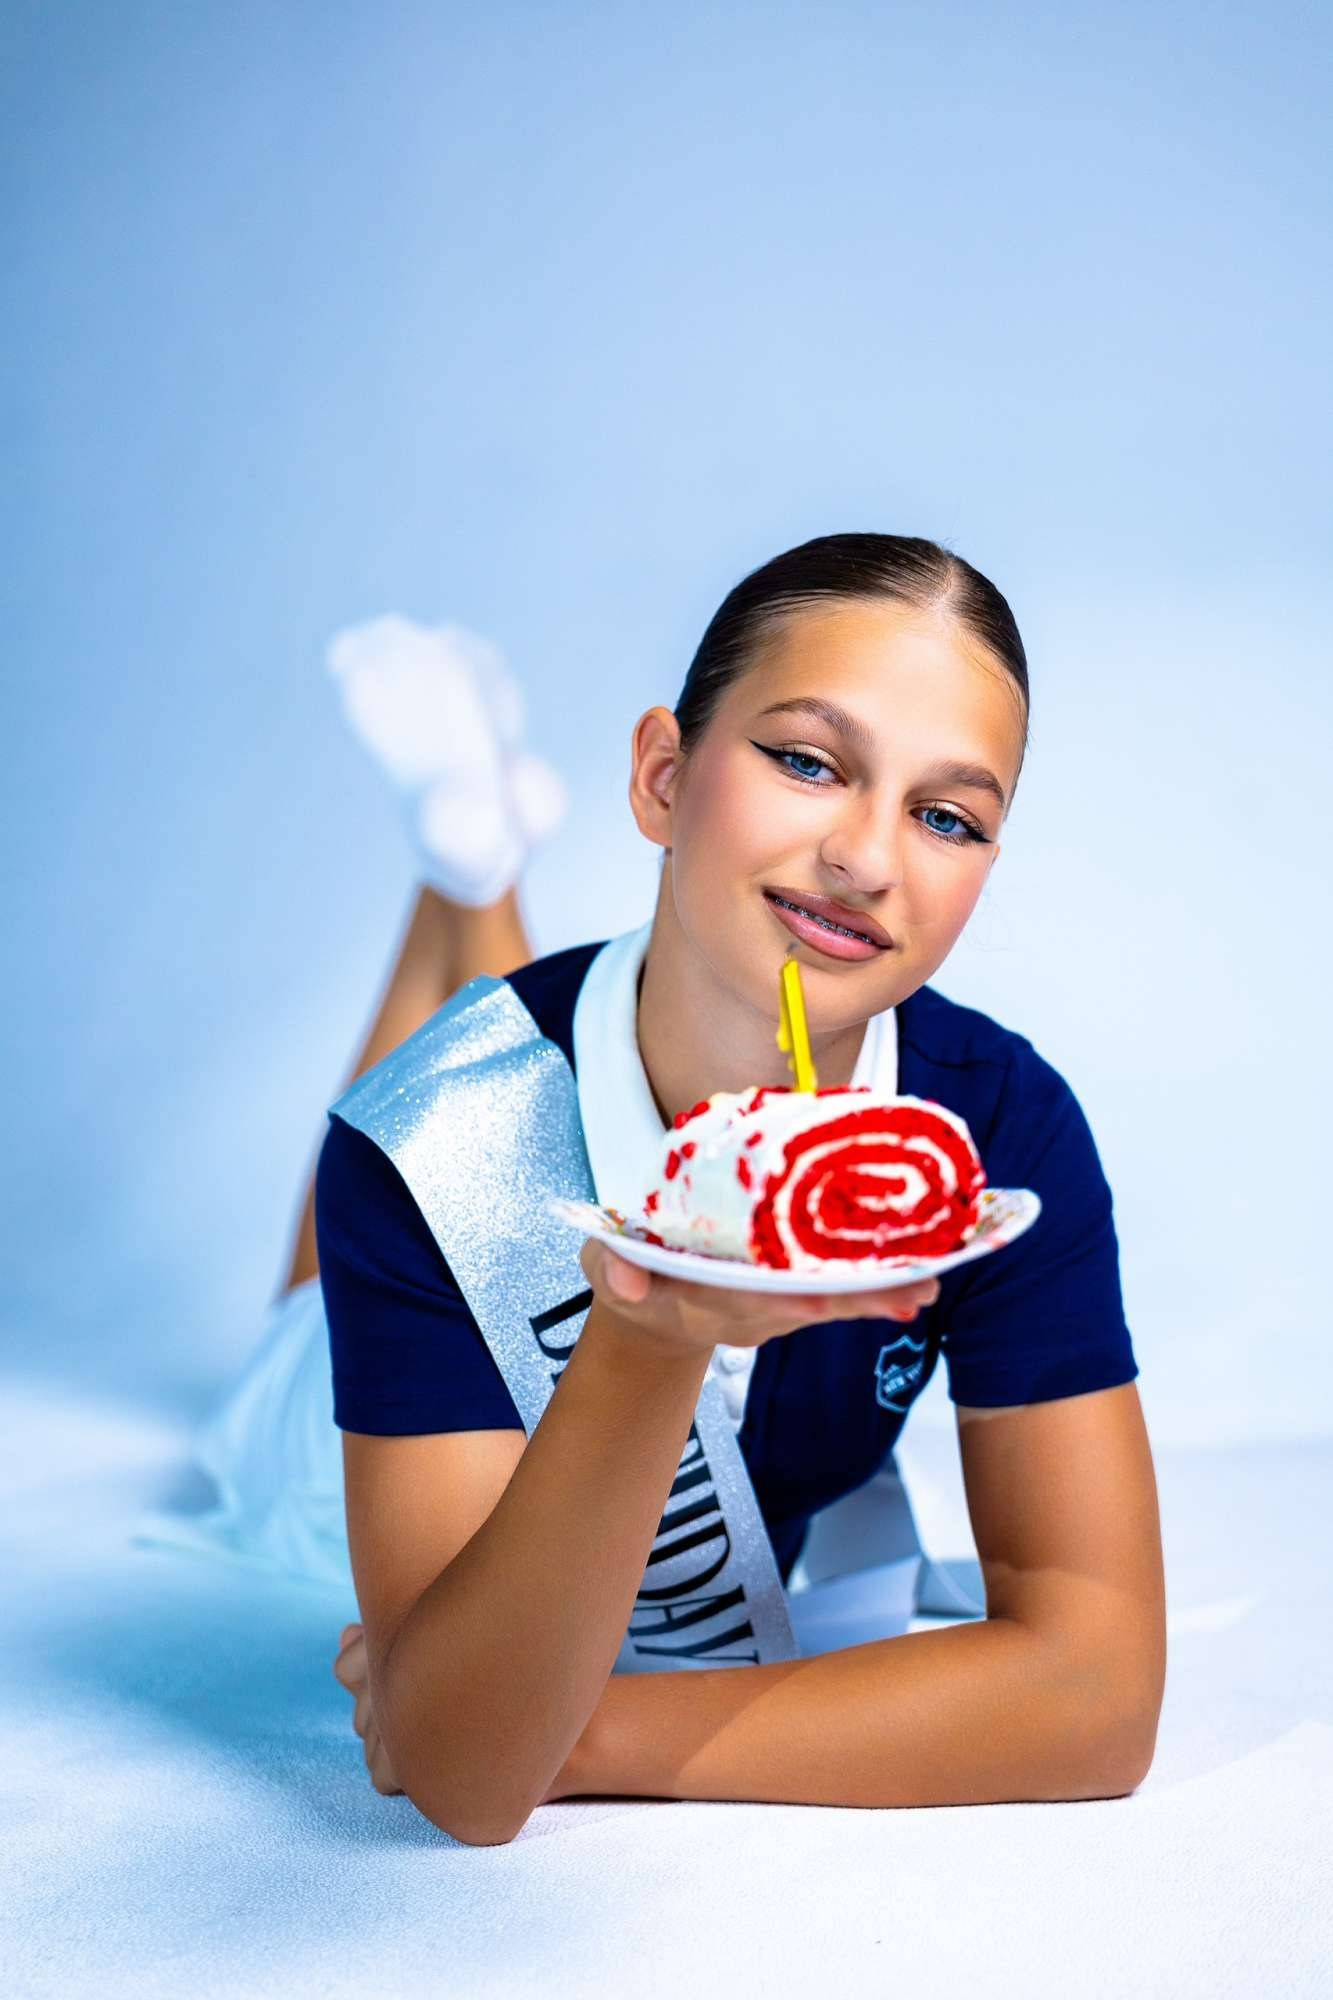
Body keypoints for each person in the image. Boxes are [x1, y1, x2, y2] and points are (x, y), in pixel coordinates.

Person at [315, 533, 1166, 1841]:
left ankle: (471, 876)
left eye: (947, 817)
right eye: (807, 762)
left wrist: (578, 1727)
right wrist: (653, 1334)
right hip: (306, 1442)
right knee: (322, 1260)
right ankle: (464, 883)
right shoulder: (416, 1152)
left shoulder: (992, 1131)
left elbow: (1097, 1694)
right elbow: (469, 1790)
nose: (867, 860)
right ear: (662, 777)